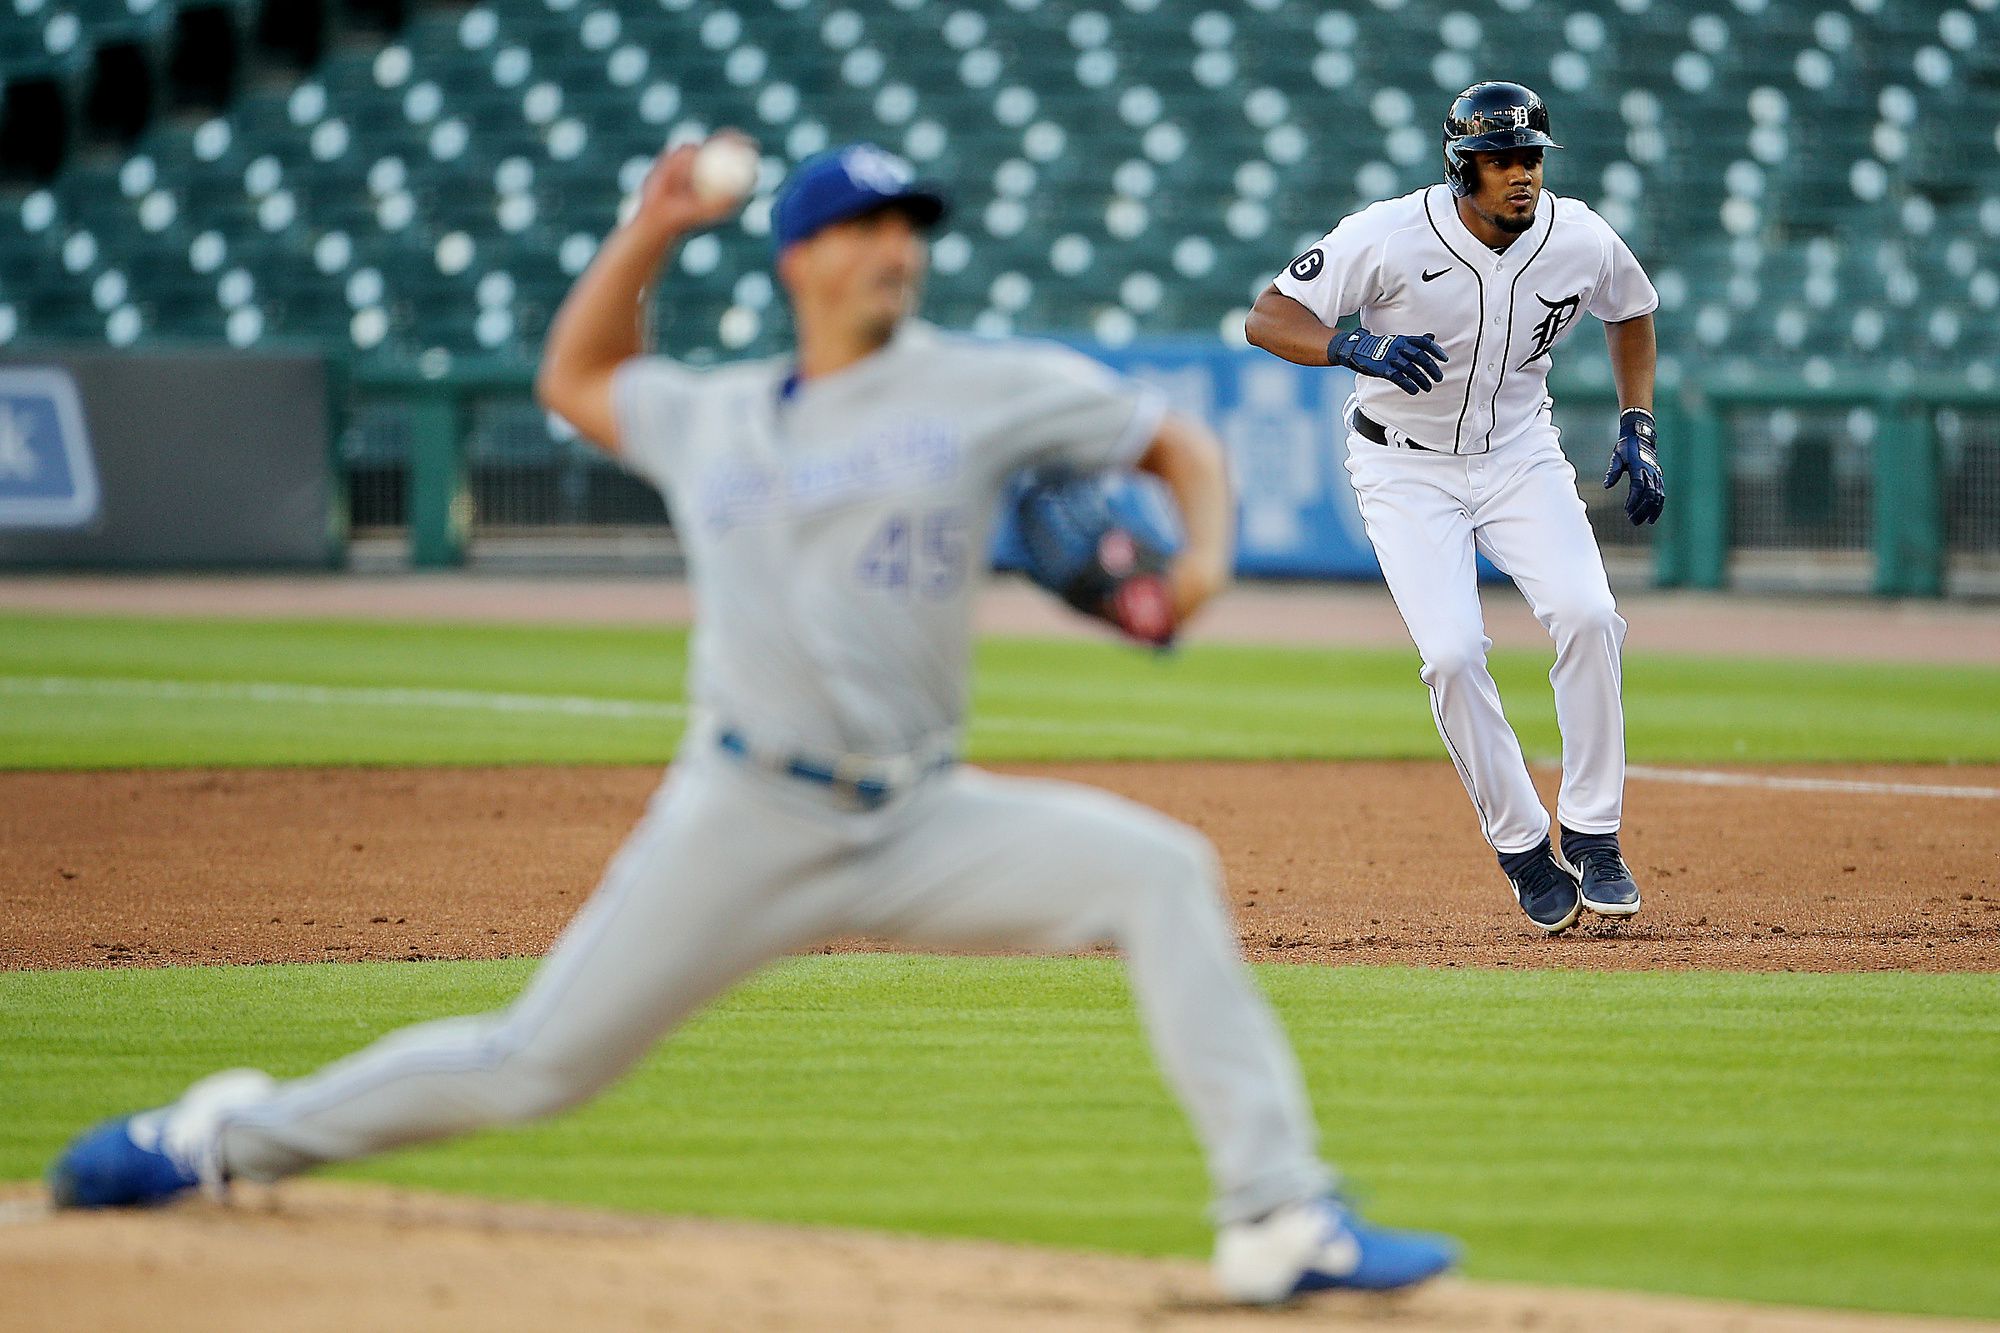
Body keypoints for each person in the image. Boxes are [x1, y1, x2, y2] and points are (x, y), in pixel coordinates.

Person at [48, 137, 1456, 1304]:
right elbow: (578, 381)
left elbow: (1177, 441)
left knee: (1158, 870)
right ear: (800, 257)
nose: (896, 246)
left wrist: (1197, 566)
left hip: (918, 813)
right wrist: (651, 223)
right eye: (863, 225)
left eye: (912, 224)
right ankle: (222, 1136)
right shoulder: (709, 414)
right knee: (532, 1066)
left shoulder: (987, 385)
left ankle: (1280, 1217)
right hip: (739, 816)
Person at [1245, 82, 1664, 936]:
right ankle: (1521, 847)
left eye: (1532, 160)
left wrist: (1637, 421)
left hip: (1519, 456)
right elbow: (1268, 316)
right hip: (1405, 469)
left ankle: (1593, 833)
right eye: (1503, 161)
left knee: (1590, 614)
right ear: (1462, 168)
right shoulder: (1389, 233)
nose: (1523, 177)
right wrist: (1351, 343)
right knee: (1450, 654)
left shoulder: (1577, 234)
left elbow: (1633, 309)